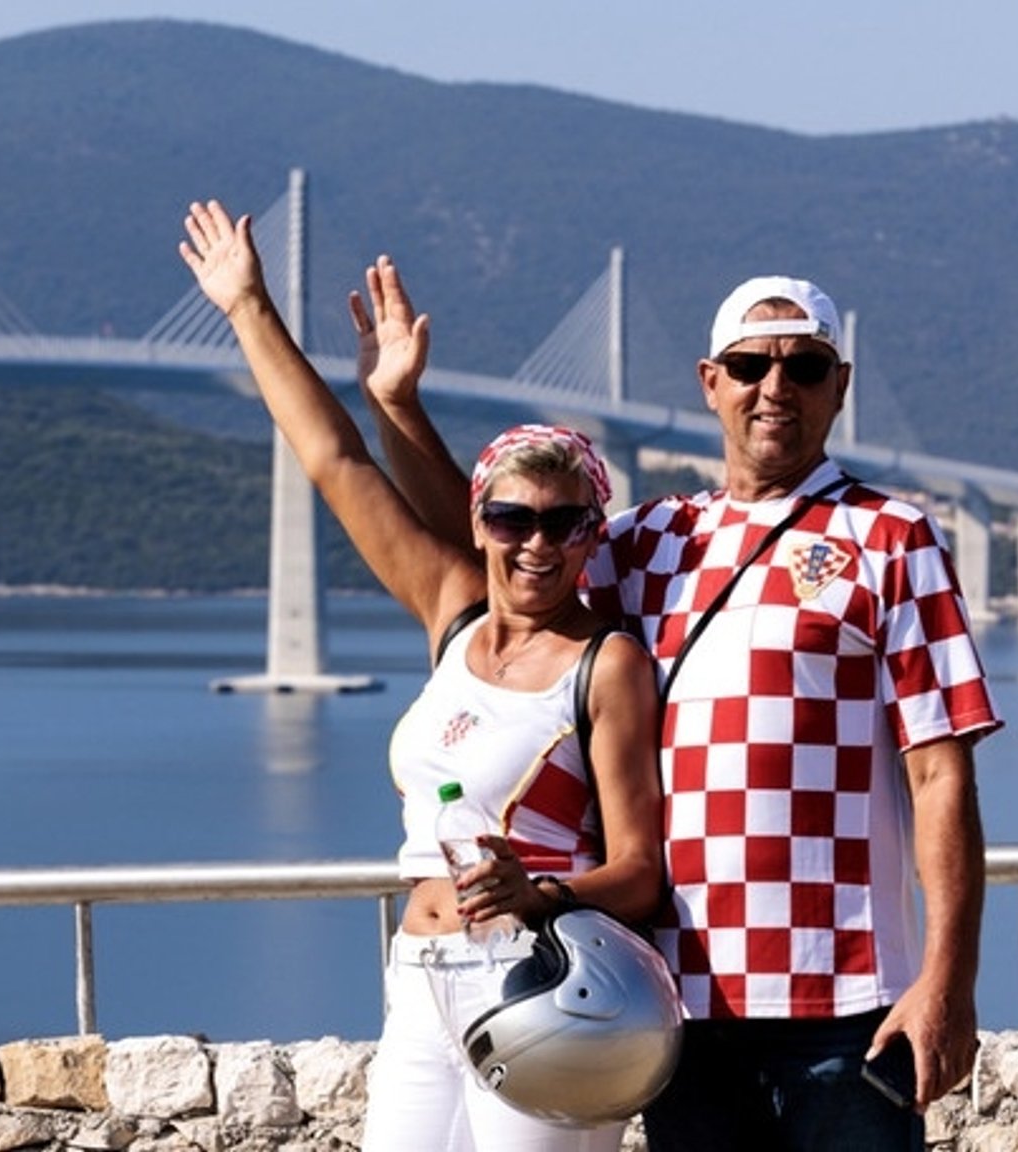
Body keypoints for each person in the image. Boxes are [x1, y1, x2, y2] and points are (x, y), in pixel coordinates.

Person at [361, 265, 1003, 1151]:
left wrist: (949, 980)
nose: (775, 388)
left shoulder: (892, 539)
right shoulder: (654, 541)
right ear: (711, 384)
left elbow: (940, 774)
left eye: (806, 367)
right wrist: (400, 408)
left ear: (840, 387)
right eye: (749, 366)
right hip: (679, 1000)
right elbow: (504, 539)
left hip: (846, 1002)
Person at [180, 200, 667, 1150]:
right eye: (511, 521)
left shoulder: (605, 665)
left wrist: (546, 891)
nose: (536, 545)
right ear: (479, 524)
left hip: (537, 980)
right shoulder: (454, 618)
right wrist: (248, 308)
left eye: (565, 526)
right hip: (418, 973)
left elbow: (643, 872)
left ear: (590, 537)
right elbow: (334, 459)